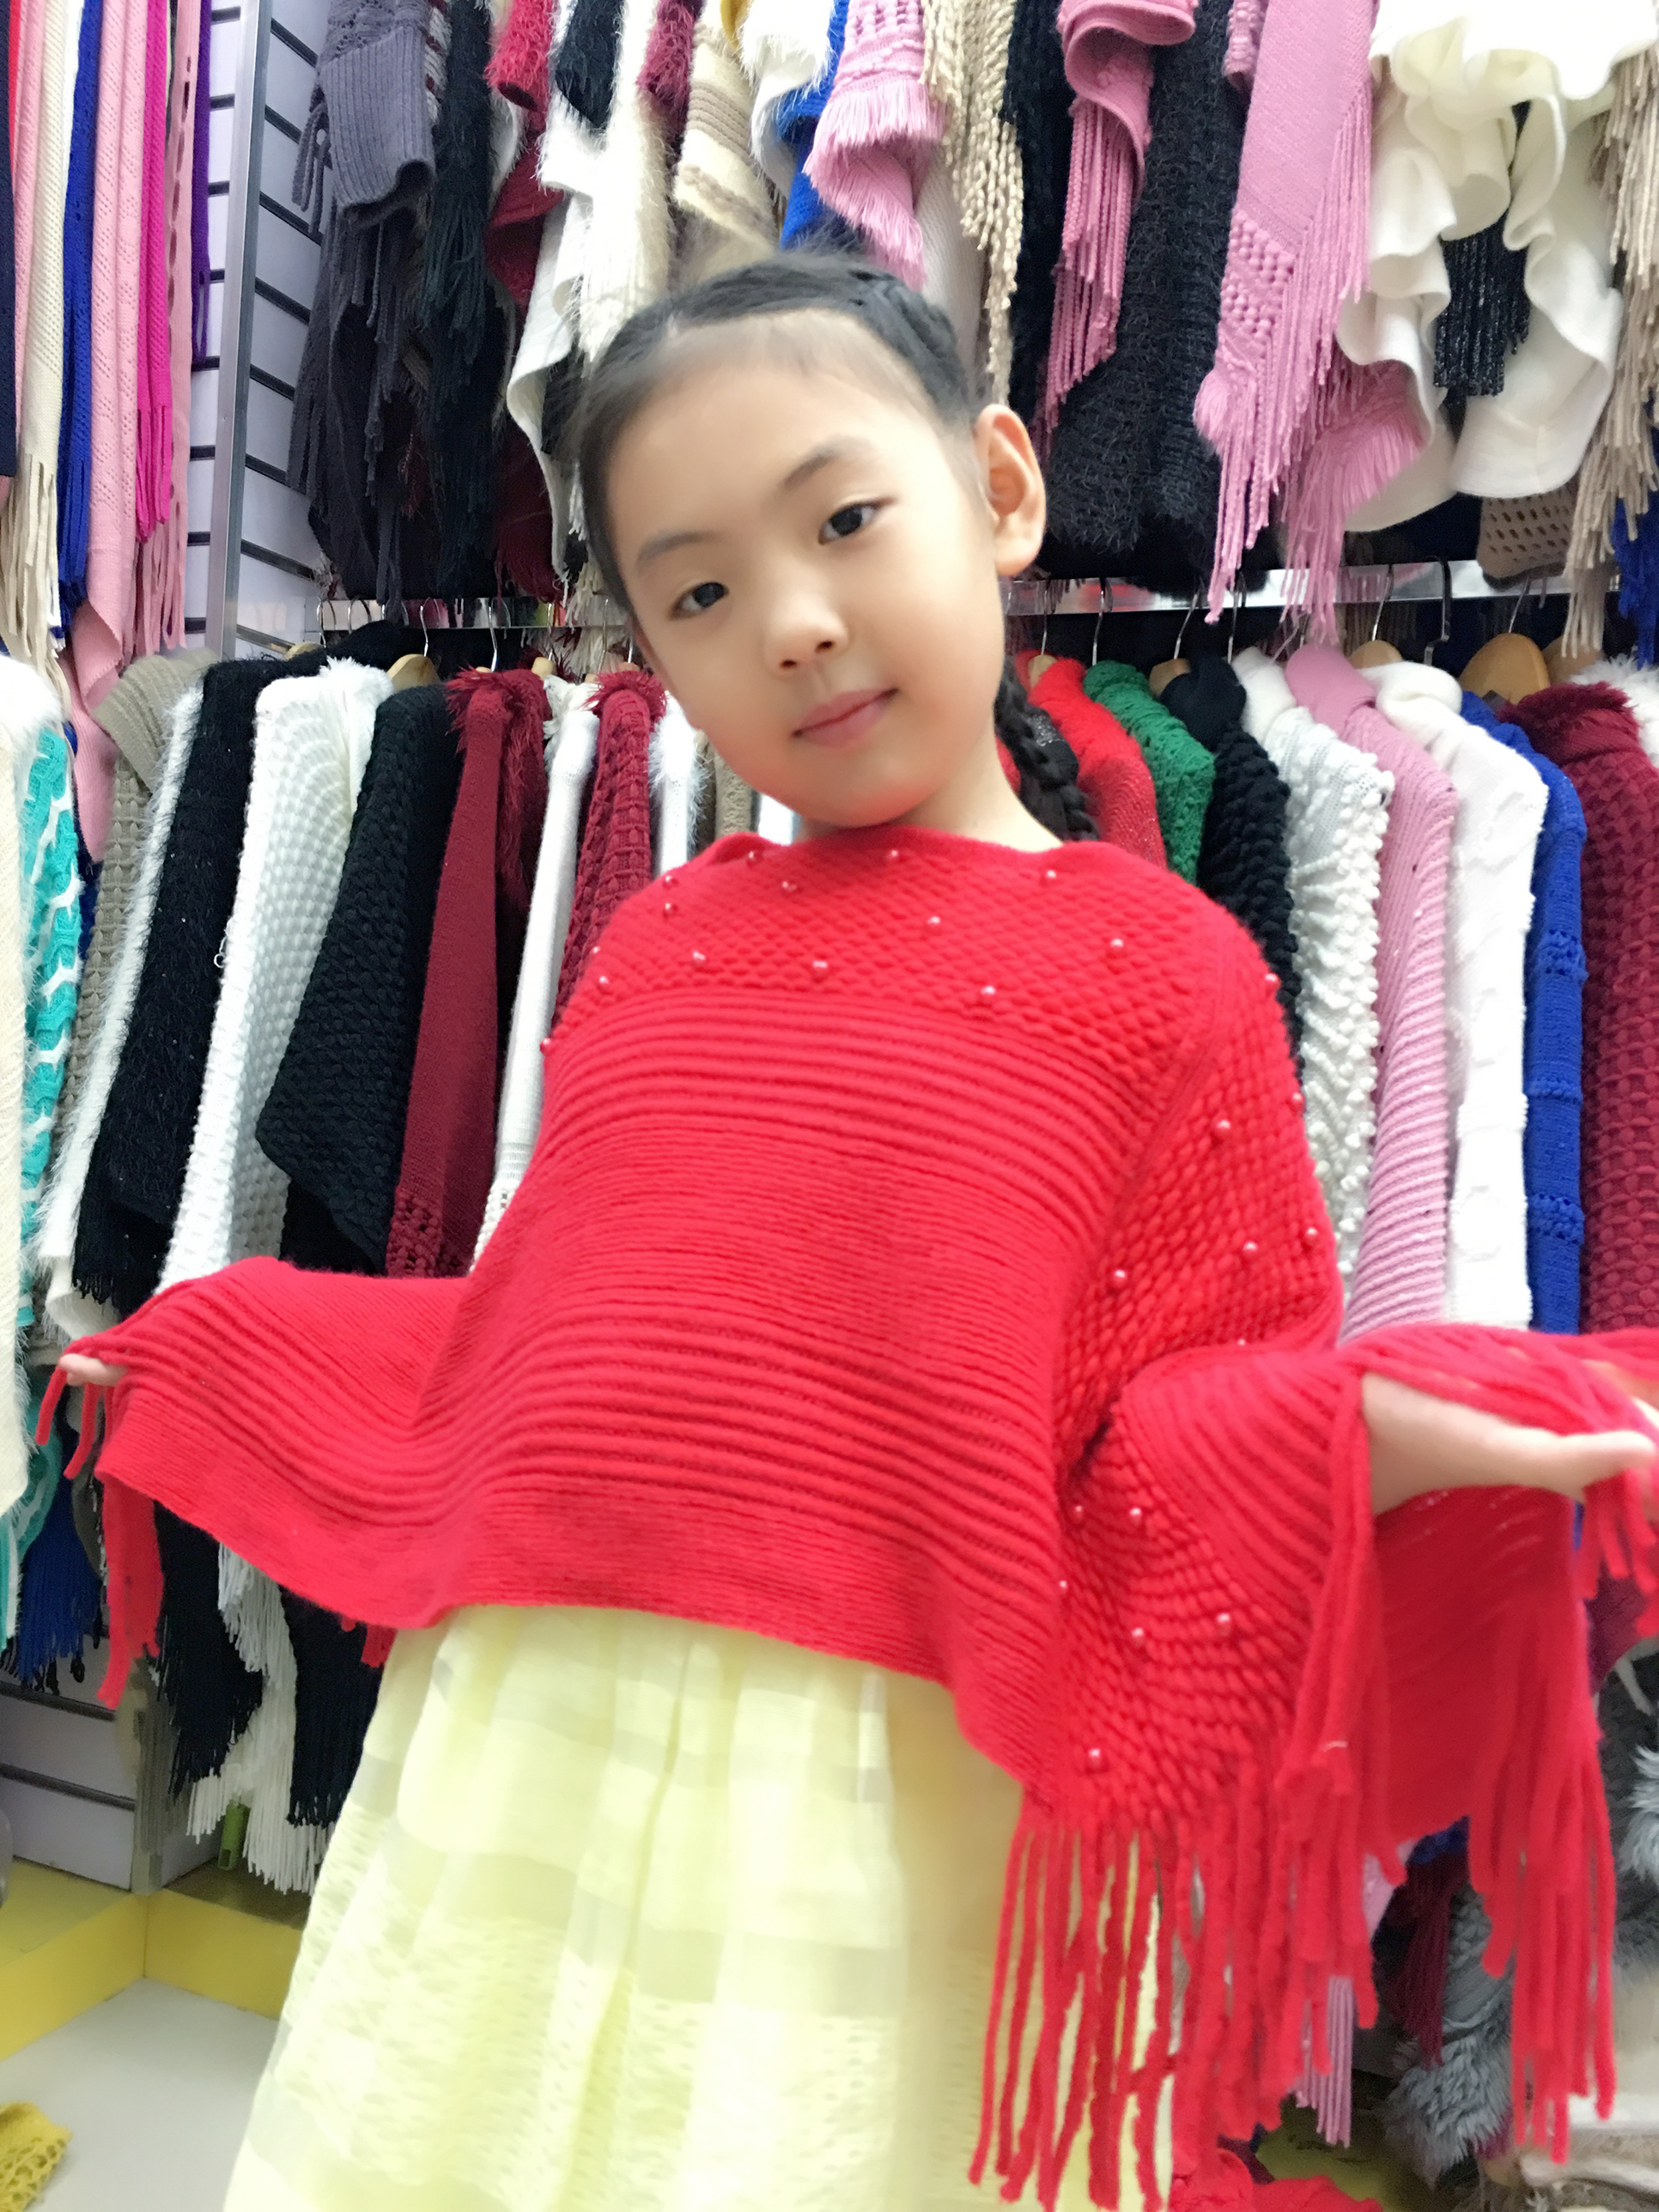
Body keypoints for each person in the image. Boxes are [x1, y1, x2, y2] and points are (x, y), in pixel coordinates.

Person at [52, 258, 1659, 2212]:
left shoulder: (1166, 978)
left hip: (887, 1790)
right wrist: (224, 1344)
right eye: (700, 594)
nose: (795, 626)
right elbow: (540, 1353)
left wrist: (1399, 1431)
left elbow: (1177, 1432)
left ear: (1000, 490)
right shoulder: (660, 947)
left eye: (842, 522)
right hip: (534, 1738)